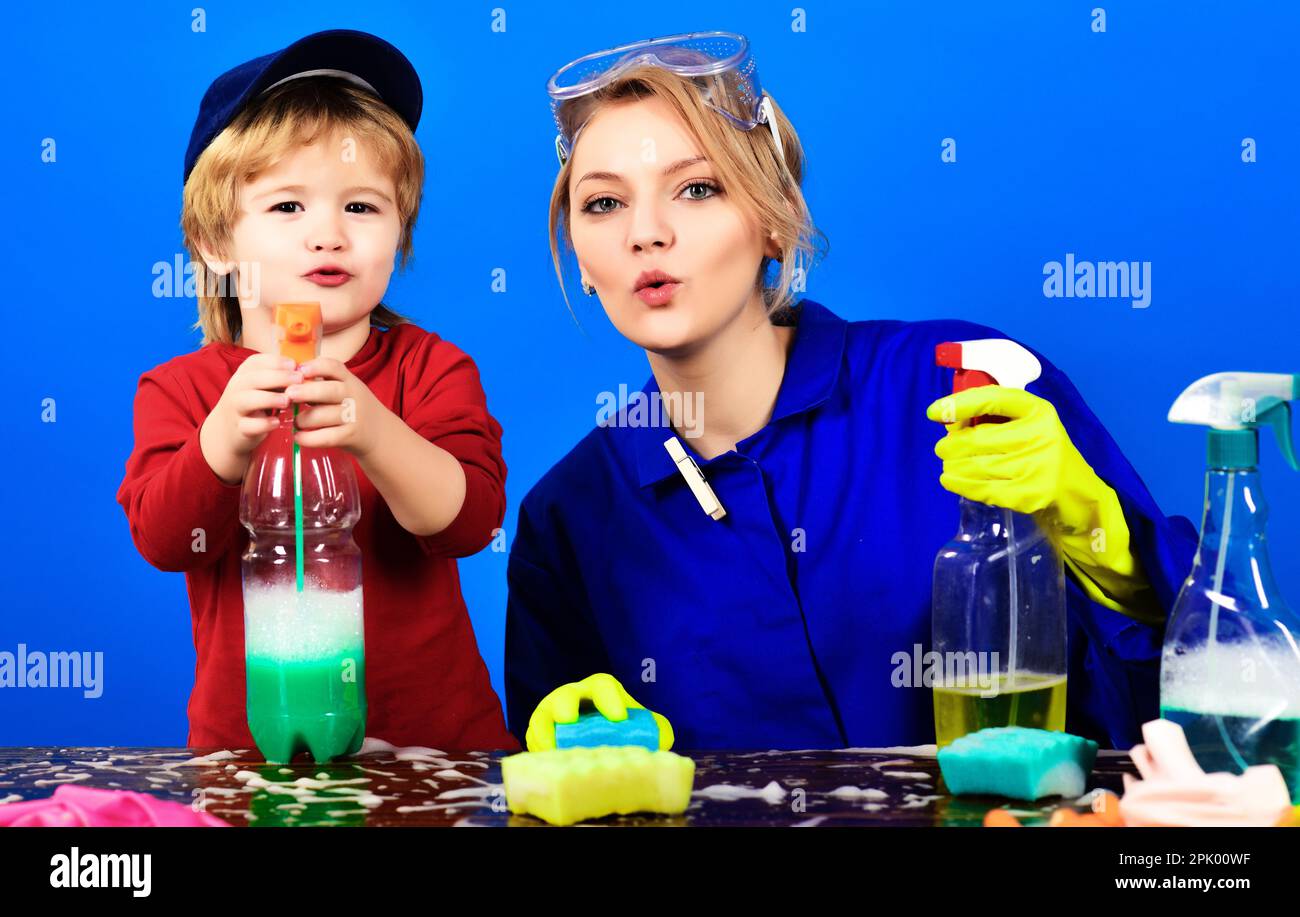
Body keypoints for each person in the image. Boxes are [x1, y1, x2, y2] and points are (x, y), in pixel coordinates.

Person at [505, 32, 1197, 752]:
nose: (646, 233)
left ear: (773, 220)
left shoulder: (963, 380)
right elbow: (563, 792)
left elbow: (1206, 721)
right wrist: (567, 752)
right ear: (582, 260)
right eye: (605, 202)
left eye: (698, 188)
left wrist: (1104, 542)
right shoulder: (567, 518)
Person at [116, 30, 516, 752]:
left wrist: (375, 429)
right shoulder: (182, 390)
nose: (328, 235)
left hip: (435, 756)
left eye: (362, 208)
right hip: (253, 757)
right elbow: (166, 539)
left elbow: (469, 523)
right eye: (287, 208)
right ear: (214, 243)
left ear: (400, 234)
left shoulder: (433, 370)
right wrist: (222, 441)